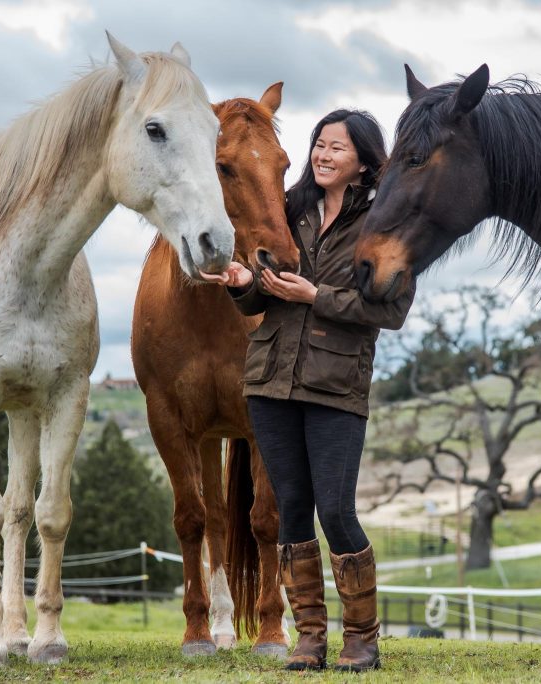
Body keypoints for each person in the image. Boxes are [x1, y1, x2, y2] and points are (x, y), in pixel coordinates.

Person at [204, 109, 415, 672]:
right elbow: (262, 303)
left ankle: (361, 638)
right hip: (270, 382)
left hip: (335, 387)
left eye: (337, 149)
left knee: (337, 512)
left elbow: (391, 309)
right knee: (291, 510)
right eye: (319, 145)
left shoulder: (382, 224)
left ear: (366, 163)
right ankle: (310, 637)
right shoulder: (289, 211)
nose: (323, 155)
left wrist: (314, 296)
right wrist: (245, 287)